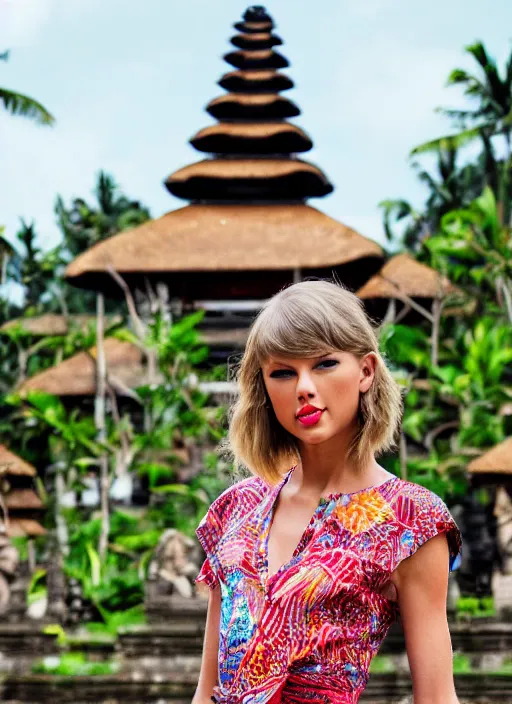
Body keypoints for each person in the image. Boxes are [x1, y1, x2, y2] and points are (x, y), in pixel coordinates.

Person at [192, 280, 462, 704]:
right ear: (264, 388)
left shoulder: (410, 519)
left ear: (366, 372)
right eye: (282, 372)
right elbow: (207, 690)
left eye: (324, 364)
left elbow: (437, 698)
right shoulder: (236, 508)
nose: (303, 386)